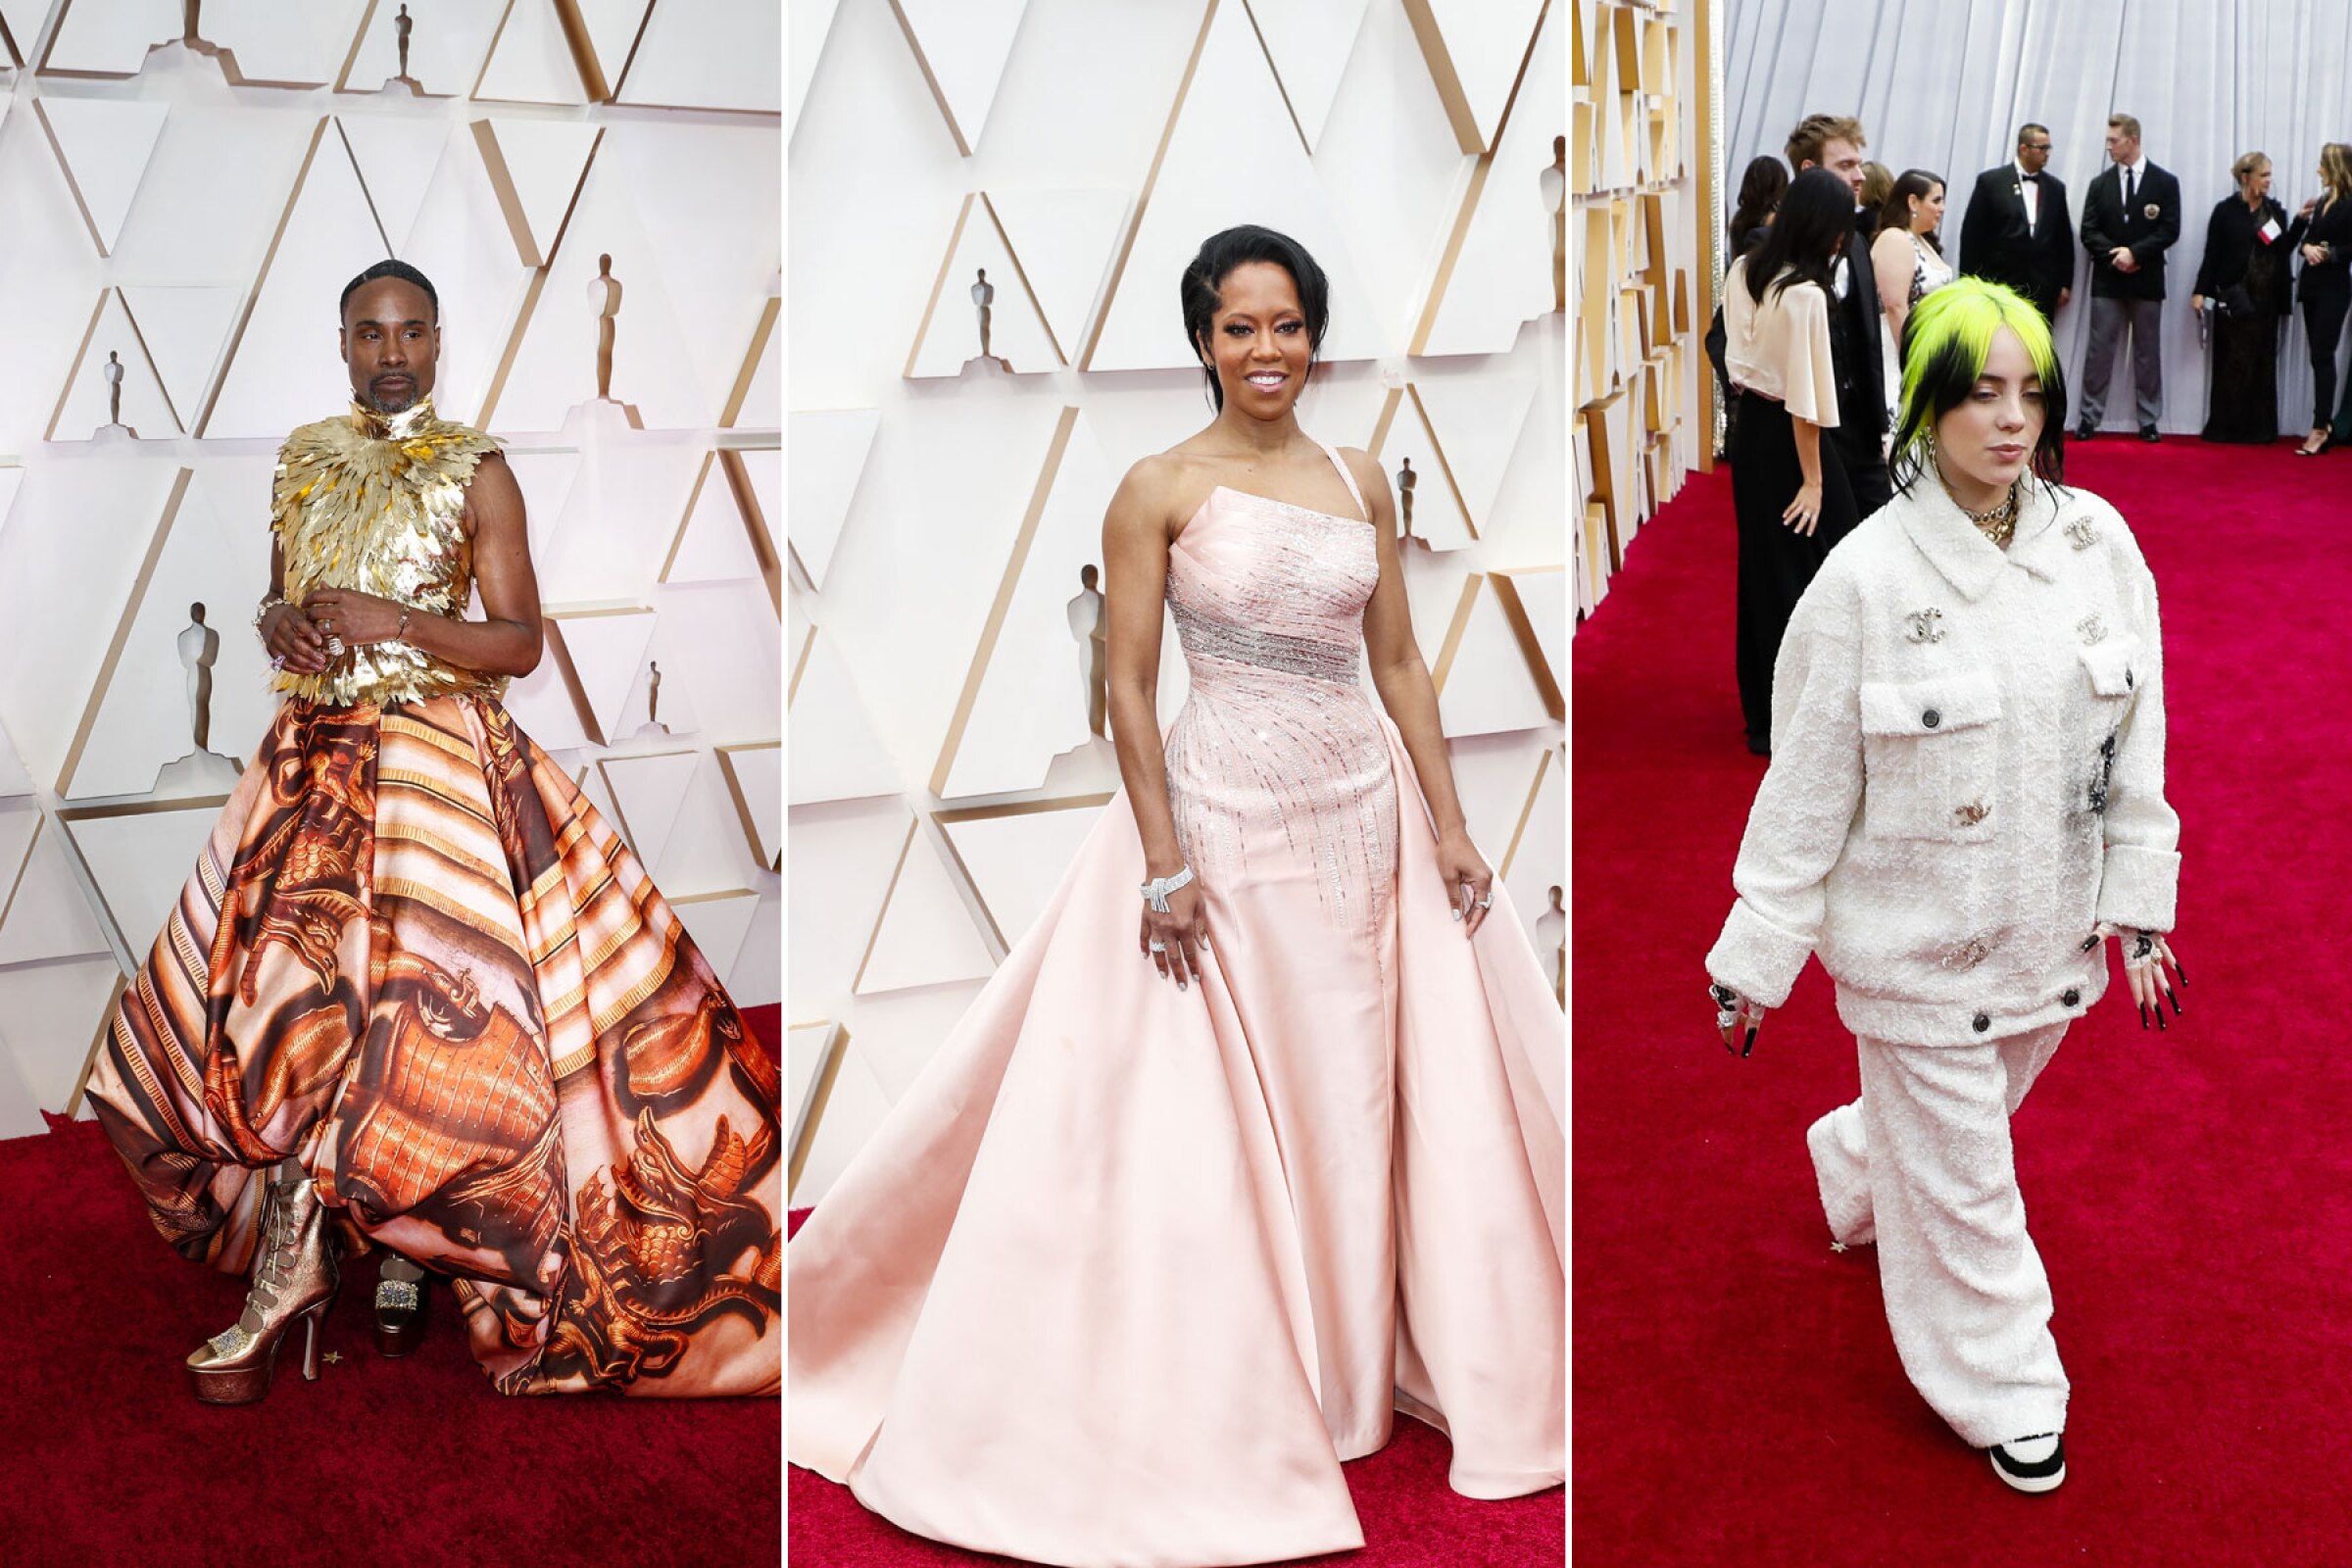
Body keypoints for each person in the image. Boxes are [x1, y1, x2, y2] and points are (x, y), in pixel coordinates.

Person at [787, 225, 1563, 1567]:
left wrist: (1447, 822)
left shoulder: (1361, 477)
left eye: (1287, 326)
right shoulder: (1157, 488)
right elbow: (1131, 691)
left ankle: (1351, 1377)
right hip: (1225, 825)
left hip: (1357, 818)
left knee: (1353, 1092)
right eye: (1238, 328)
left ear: (1317, 335)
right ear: (1201, 342)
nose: (1266, 353)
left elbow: (1402, 665)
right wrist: (1162, 859)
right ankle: (1267, 1384)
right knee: (1230, 1107)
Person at [84, 259, 783, 1404]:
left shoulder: (480, 470)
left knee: (419, 1026)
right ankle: (353, 1240)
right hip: (313, 768)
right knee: (285, 1014)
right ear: (344, 342)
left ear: (441, 341)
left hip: (439, 780)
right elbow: (282, 602)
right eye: (371, 332)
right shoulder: (303, 460)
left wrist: (397, 622)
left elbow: (517, 643)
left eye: (412, 331)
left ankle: (325, 1262)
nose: (392, 351)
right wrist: (285, 627)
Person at [1706, 277, 2182, 1495]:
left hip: (2051, 937)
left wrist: (2140, 899)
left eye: (2031, 392)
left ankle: (1859, 1158)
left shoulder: (2099, 545)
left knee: (1955, 1127)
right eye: (1979, 393)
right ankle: (2007, 1379)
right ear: (1923, 403)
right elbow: (1807, 784)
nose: (2010, 421)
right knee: (1972, 1178)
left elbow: (2139, 739)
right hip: (1912, 948)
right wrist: (1757, 953)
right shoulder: (1864, 581)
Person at [1723, 169, 1864, 757]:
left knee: (1763, 567)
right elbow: (1804, 403)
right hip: (1789, 440)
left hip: (1748, 434)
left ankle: (1766, 713)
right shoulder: (1804, 295)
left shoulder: (1743, 271)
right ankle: (1807, 714)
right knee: (1833, 563)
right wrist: (1813, 480)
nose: (1842, 241)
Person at [1787, 114, 1892, 518]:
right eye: (1845, 165)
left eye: (1859, 164)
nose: (1860, 176)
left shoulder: (1860, 245)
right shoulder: (1773, 250)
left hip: (1861, 429)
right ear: (1810, 172)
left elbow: (1867, 342)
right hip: (1803, 435)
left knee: (1880, 533)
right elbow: (1725, 341)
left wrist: (1880, 427)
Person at [2077, 114, 2181, 441]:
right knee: (2099, 350)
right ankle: (2089, 416)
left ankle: (2149, 418)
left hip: (2146, 280)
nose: (2109, 146)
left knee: (2147, 351)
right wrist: (2116, 255)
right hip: (2108, 280)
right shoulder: (2100, 184)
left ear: (2132, 140)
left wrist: (2135, 253)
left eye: (2114, 140)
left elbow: (2170, 229)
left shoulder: (2164, 182)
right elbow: (2088, 230)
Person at [2190, 151, 2292, 445]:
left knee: (2262, 362)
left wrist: (2297, 224)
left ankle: (2259, 430)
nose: (2269, 181)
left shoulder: (2275, 213)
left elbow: (2283, 252)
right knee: (2230, 362)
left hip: (2265, 302)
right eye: (2264, 175)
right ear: (2246, 178)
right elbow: (2212, 254)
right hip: (2234, 298)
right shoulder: (2225, 211)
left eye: (2270, 175)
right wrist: (2200, 291)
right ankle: (2226, 427)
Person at [1958, 122, 2076, 322]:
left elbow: (2064, 239)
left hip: (2041, 287)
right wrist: (1969, 282)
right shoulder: (1991, 182)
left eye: (2049, 148)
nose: (2047, 154)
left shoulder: (2055, 188)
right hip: (1998, 283)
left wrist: (2065, 283)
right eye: (2042, 148)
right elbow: (1972, 236)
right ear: (2023, 149)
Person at [1871, 169, 1955, 431]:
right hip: (1899, 347)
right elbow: (1896, 305)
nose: (1941, 208)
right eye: (1936, 200)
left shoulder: (1923, 241)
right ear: (1912, 202)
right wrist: (1912, 359)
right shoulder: (1895, 238)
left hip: (1928, 345)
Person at [2283, 143, 2352, 454]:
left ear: (2335, 167)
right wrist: (2307, 248)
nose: (2318, 170)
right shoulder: (2322, 200)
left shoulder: (2350, 203)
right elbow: (2307, 241)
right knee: (2316, 356)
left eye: (2322, 164)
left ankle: (2320, 427)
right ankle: (2320, 424)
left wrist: (2331, 254)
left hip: (2334, 288)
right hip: (2311, 286)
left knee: (2323, 355)